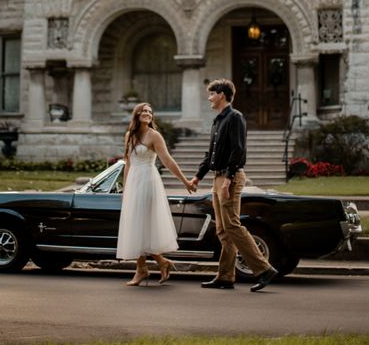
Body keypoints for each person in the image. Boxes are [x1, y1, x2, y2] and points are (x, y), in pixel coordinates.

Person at [189, 78, 278, 292]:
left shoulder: (235, 117)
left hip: (231, 177)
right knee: (222, 230)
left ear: (221, 94)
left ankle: (264, 269)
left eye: (211, 94)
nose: (209, 98)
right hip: (218, 178)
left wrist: (228, 180)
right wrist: (198, 176)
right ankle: (226, 276)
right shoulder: (218, 120)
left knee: (232, 225)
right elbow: (211, 154)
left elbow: (238, 150)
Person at [116, 102, 193, 286]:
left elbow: (167, 160)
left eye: (150, 112)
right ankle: (157, 263)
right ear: (137, 114)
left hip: (148, 181)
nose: (147, 114)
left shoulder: (154, 135)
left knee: (143, 223)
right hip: (134, 182)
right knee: (136, 224)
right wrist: (125, 189)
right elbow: (127, 163)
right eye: (144, 111)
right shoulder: (129, 136)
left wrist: (185, 181)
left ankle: (143, 269)